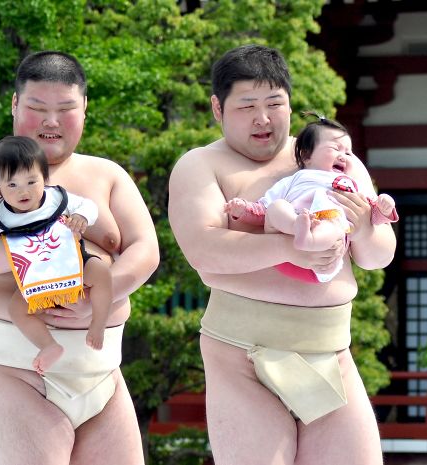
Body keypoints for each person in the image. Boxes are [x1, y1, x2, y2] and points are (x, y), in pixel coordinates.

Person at [169, 44, 395, 465]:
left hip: (330, 350)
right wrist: (291, 248)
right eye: (247, 106)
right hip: (243, 357)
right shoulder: (201, 165)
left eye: (275, 104)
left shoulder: (329, 156)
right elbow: (205, 250)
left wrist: (365, 227)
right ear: (218, 109)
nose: (263, 118)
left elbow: (378, 255)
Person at [0, 51, 158, 464]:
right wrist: (51, 249)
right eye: (37, 108)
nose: (51, 122)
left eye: (65, 109)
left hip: (103, 368)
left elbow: (145, 251)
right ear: (14, 105)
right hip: (16, 368)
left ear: (84, 109)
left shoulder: (108, 174)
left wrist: (99, 298)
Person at [0, 135, 113, 374]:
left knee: (102, 272)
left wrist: (82, 217)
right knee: (16, 309)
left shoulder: (56, 198)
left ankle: (98, 324)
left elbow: (88, 206)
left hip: (74, 264)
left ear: (44, 177)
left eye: (32, 181)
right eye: (12, 185)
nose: (24, 191)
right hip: (35, 277)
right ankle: (48, 345)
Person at [225, 113, 398, 283]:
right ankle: (299, 227)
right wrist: (244, 209)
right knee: (277, 206)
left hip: (323, 260)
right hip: (286, 247)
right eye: (335, 149)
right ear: (306, 156)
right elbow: (263, 209)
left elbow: (370, 214)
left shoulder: (349, 184)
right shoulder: (294, 180)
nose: (343, 156)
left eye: (348, 152)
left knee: (334, 226)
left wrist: (384, 207)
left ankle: (312, 239)